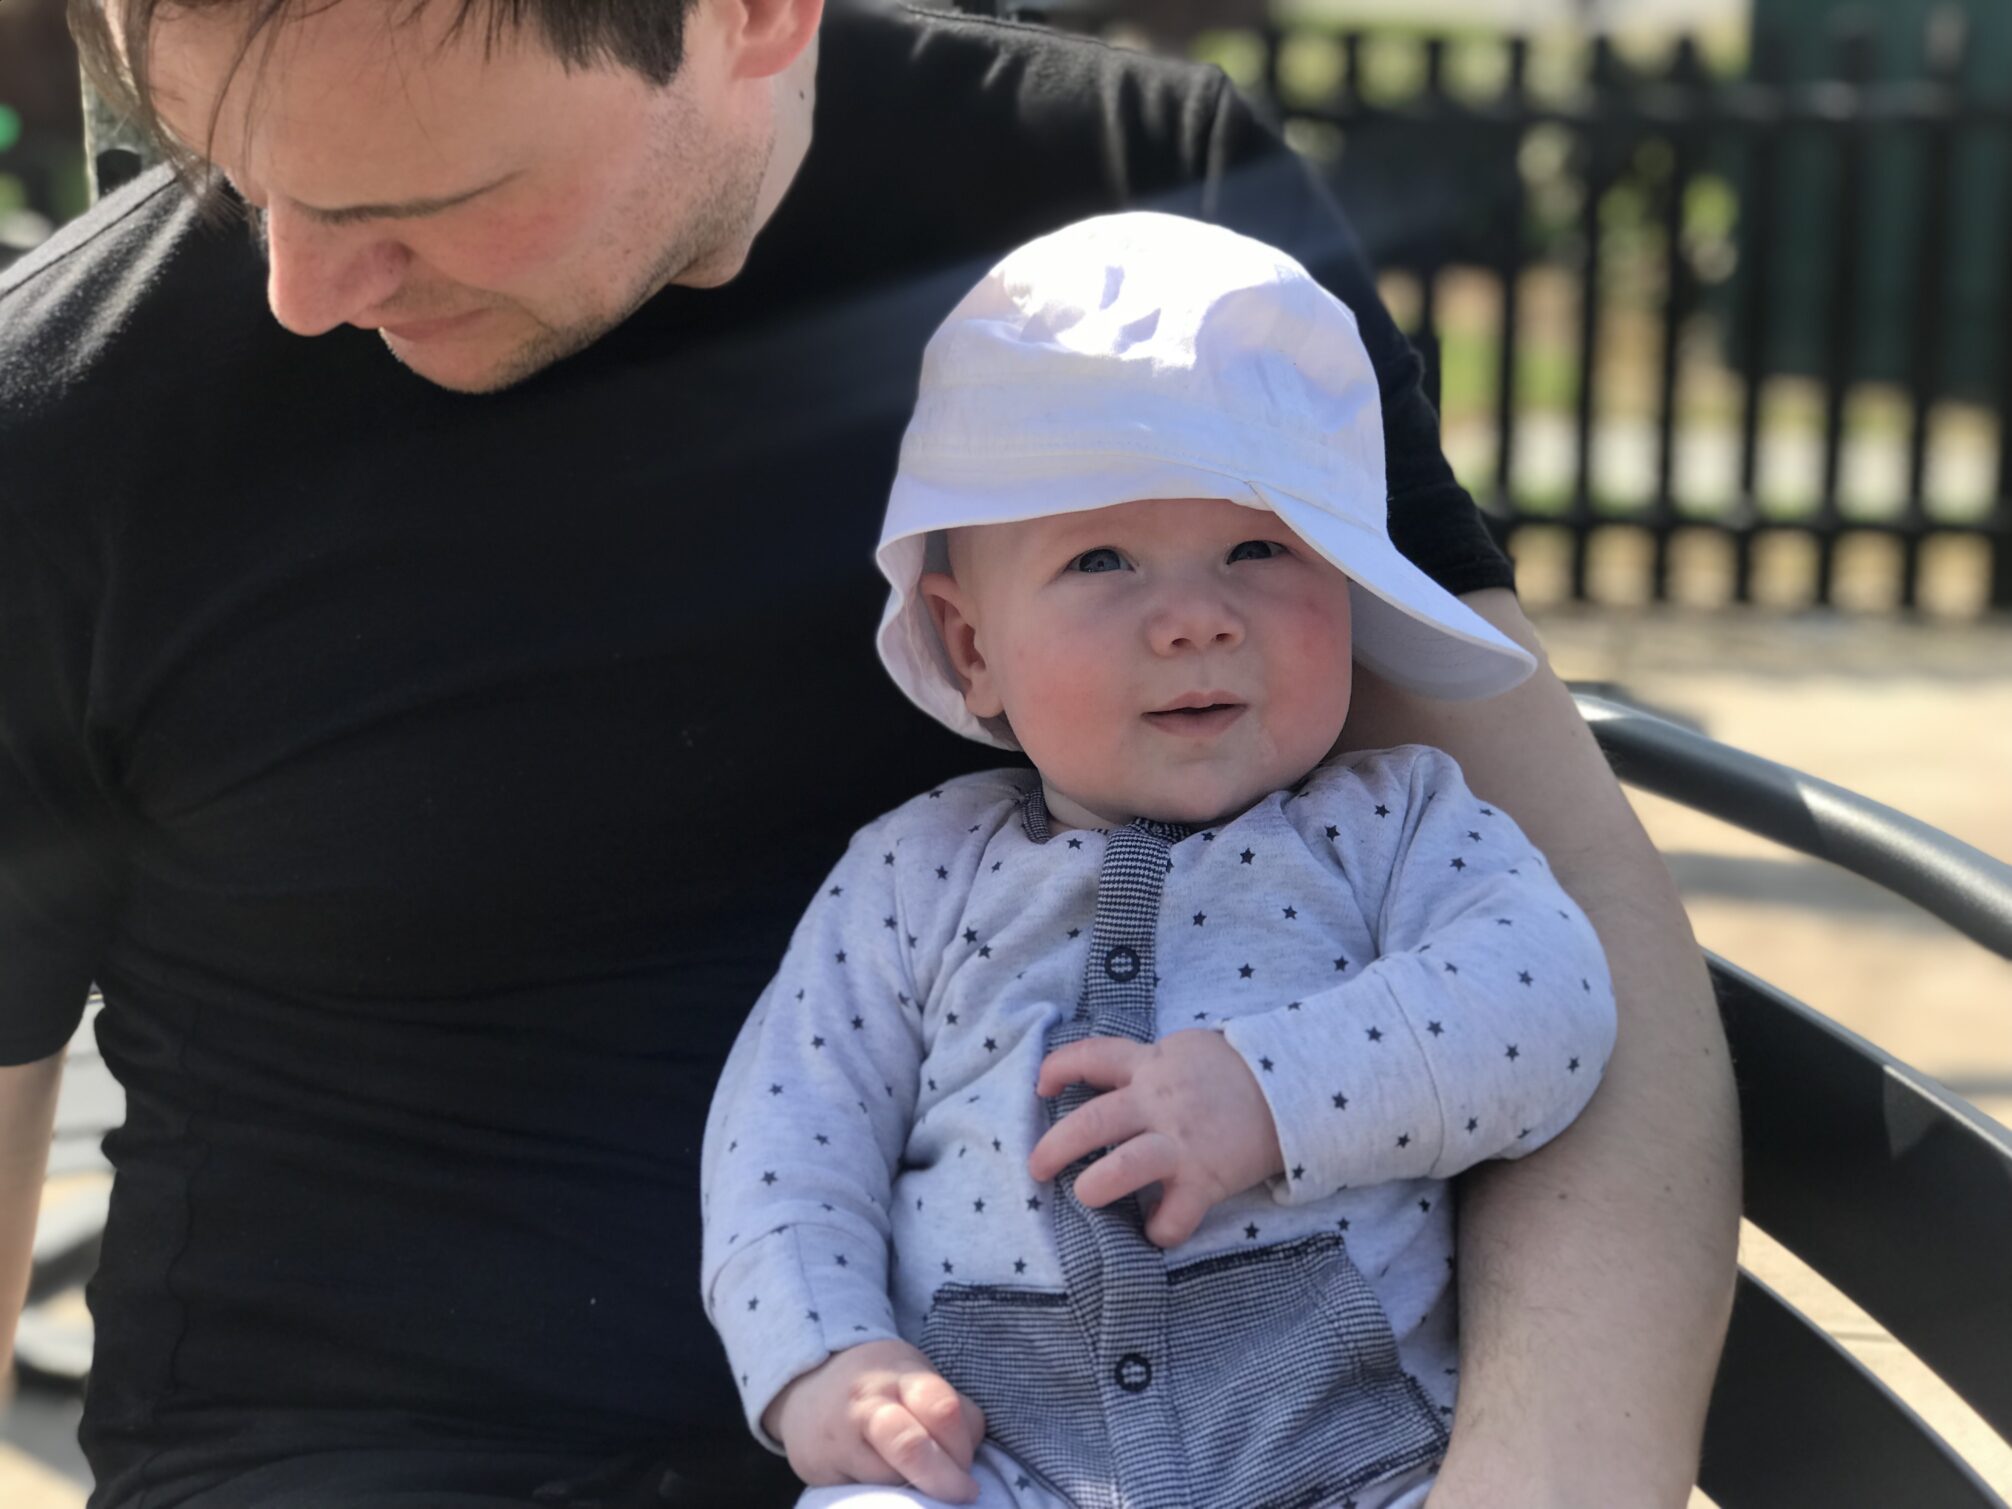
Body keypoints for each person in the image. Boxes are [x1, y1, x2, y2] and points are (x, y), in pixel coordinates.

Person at [0, 1, 1736, 1504]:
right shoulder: (68, 411)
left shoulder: (1151, 243)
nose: (297, 286)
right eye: (228, 168)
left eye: (422, 199)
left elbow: (1567, 914)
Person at [701, 212, 1620, 1509]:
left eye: (1261, 547)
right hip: (998, 1460)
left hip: (1353, 1456)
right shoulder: (913, 878)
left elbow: (1550, 1000)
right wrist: (823, 1358)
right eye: (1101, 561)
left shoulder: (1399, 825)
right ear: (970, 644)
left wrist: (1272, 1090)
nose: (1196, 618)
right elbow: (785, 1139)